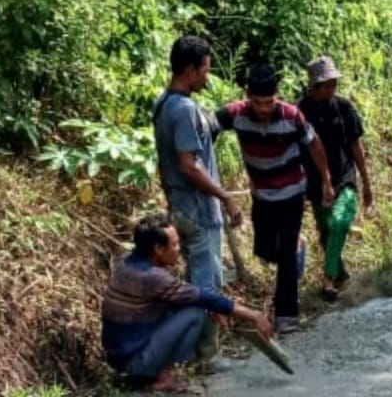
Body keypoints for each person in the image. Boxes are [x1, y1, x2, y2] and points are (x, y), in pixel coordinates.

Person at [214, 63, 335, 334]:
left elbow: (315, 145)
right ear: (248, 97)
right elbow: (206, 126)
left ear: (277, 96)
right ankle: (298, 247)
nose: (265, 109)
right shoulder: (237, 114)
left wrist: (326, 180)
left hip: (292, 192)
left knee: (285, 255)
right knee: (265, 251)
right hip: (262, 195)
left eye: (269, 102)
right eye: (258, 103)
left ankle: (286, 316)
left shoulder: (292, 116)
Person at [102, 213, 272, 394]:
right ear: (158, 249)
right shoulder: (153, 277)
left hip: (120, 359)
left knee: (195, 304)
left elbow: (182, 296)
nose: (179, 248)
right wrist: (254, 315)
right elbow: (204, 298)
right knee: (196, 311)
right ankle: (163, 378)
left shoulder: (128, 262)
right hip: (136, 363)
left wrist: (211, 304)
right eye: (174, 244)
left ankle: (153, 372)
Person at [152, 37, 243, 315]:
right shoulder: (185, 110)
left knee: (198, 280)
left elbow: (164, 162)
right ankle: (207, 355)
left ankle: (204, 349)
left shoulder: (162, 104)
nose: (207, 77)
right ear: (190, 71)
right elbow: (189, 165)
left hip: (181, 206)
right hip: (198, 211)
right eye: (205, 70)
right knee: (206, 286)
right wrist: (224, 196)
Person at [298, 56, 373, 302]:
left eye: (333, 84)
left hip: (345, 177)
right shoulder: (300, 111)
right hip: (315, 181)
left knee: (340, 222)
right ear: (314, 87)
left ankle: (328, 278)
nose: (331, 90)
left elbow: (355, 145)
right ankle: (341, 275)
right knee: (325, 231)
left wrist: (366, 180)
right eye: (326, 85)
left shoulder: (344, 108)